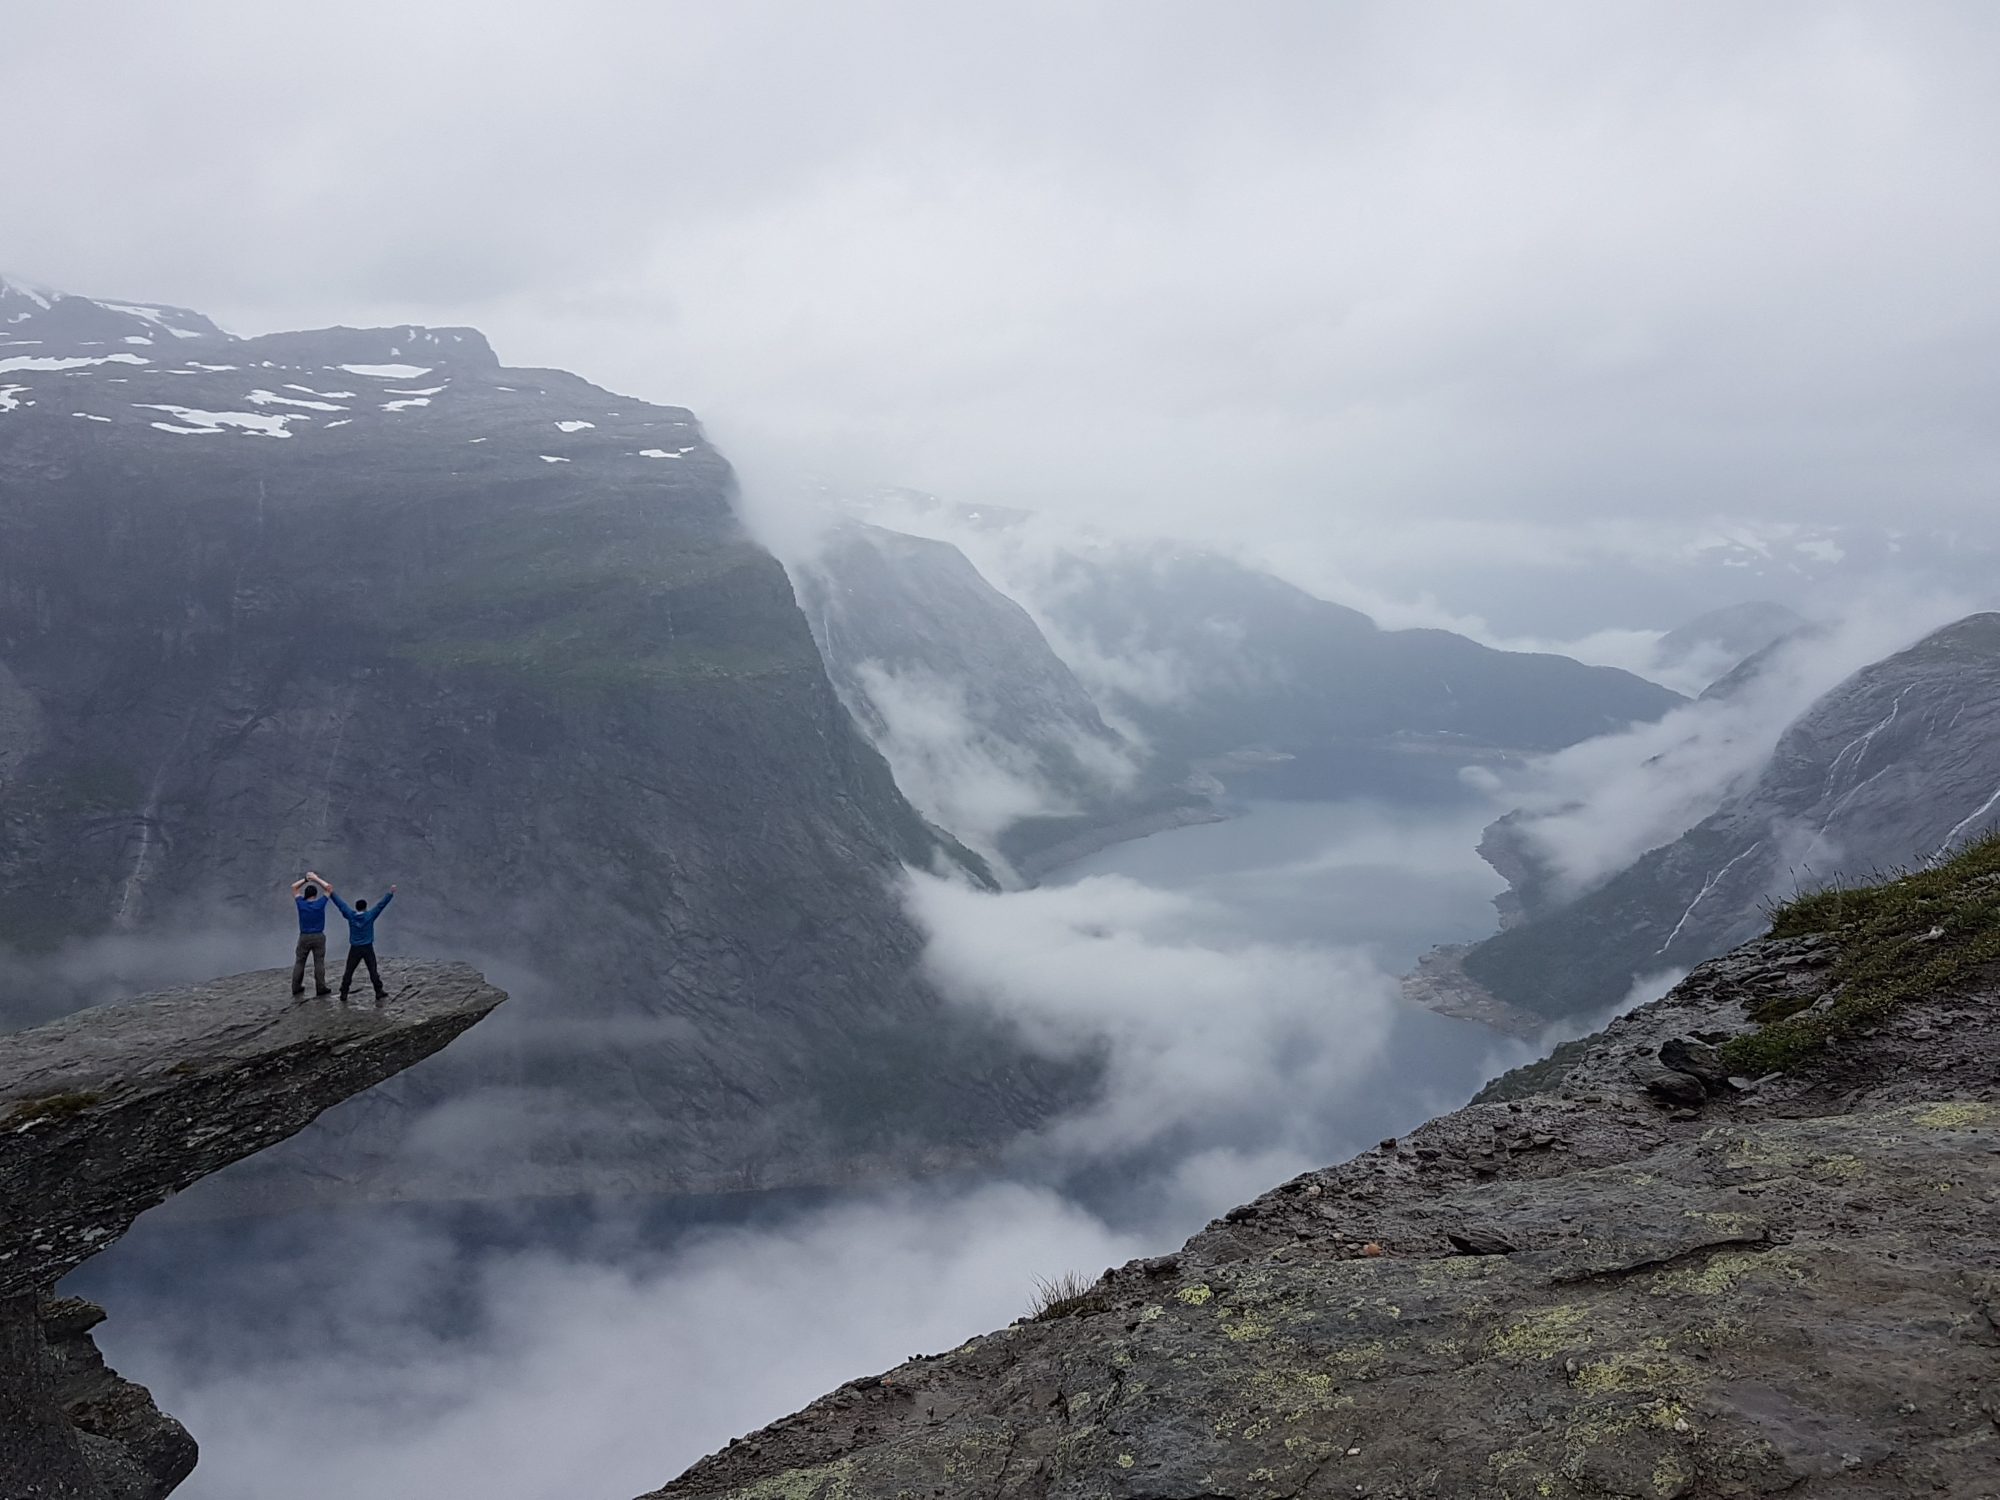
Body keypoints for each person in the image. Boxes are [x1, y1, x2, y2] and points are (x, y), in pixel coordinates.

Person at [310, 871, 397, 1003]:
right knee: (373, 970)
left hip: (355, 948)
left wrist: (331, 893)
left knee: (349, 971)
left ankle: (344, 993)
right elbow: (381, 905)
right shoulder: (370, 916)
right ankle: (378, 991)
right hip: (367, 947)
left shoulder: (350, 916)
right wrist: (390, 893)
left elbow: (340, 904)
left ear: (356, 908)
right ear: (365, 908)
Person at [289, 875, 332, 997]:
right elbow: (329, 888)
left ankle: (296, 987)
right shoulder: (320, 903)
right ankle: (320, 987)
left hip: (304, 936)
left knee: (300, 962)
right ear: (315, 894)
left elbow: (294, 887)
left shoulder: (301, 904)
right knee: (319, 962)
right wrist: (316, 878)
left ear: (306, 894)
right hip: (318, 935)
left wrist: (306, 879)